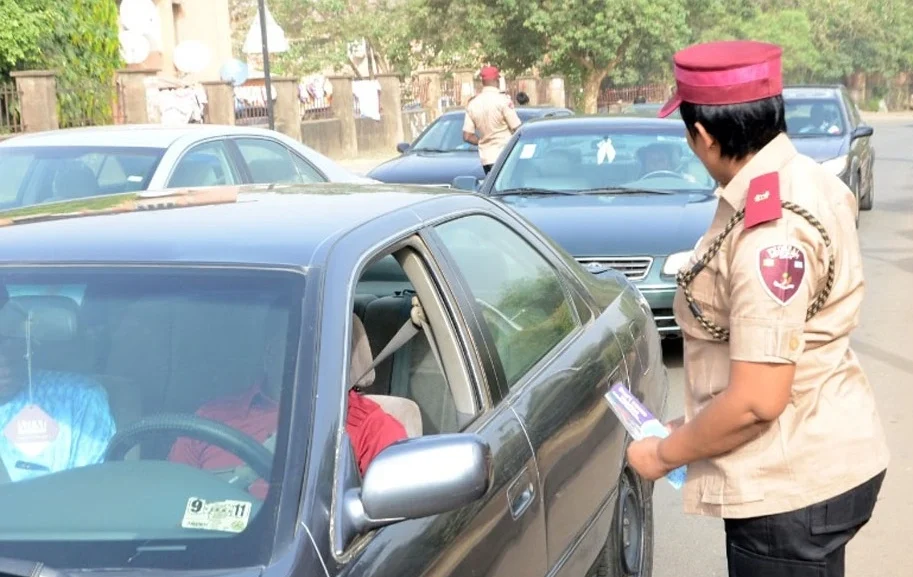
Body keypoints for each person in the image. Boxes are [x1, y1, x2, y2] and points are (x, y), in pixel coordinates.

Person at [626, 40, 889, 577]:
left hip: (788, 482)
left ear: (701, 135)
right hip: (820, 451)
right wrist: (687, 425)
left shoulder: (771, 231)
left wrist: (663, 456)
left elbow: (756, 401)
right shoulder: (804, 181)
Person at [169, 310, 407, 498]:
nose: (305, 355)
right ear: (268, 354)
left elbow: (396, 516)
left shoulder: (370, 426)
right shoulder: (210, 419)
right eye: (292, 342)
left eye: (319, 345)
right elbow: (172, 499)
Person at [0, 299, 116, 482]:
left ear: (27, 344)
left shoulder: (77, 398)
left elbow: (90, 491)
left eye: (6, 340)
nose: (2, 355)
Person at [463, 66, 522, 174]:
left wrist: (482, 141)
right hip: (506, 156)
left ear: (482, 81)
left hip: (486, 158)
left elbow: (467, 136)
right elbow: (517, 128)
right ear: (497, 80)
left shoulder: (473, 103)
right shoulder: (503, 100)